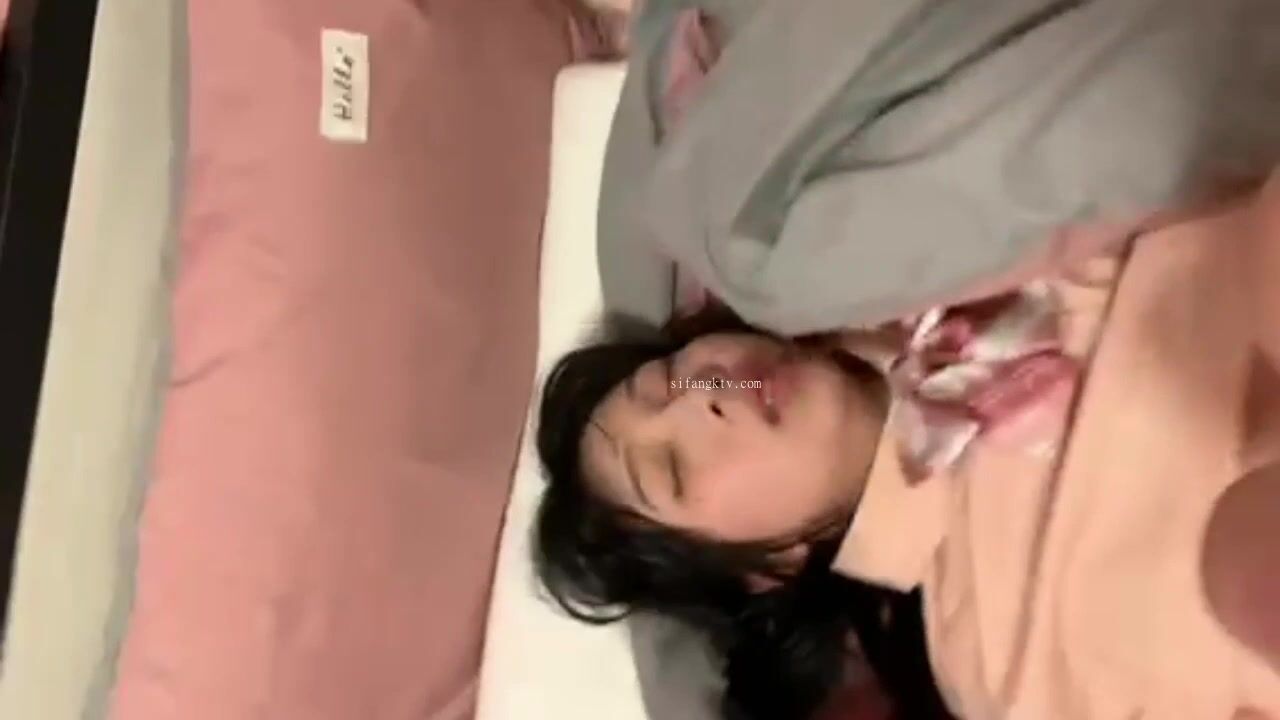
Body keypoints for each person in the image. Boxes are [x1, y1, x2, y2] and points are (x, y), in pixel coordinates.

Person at [532, 182, 1280, 720]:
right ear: (767, 568)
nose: (706, 397)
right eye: (674, 470)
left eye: (670, 378)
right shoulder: (998, 658)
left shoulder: (904, 224)